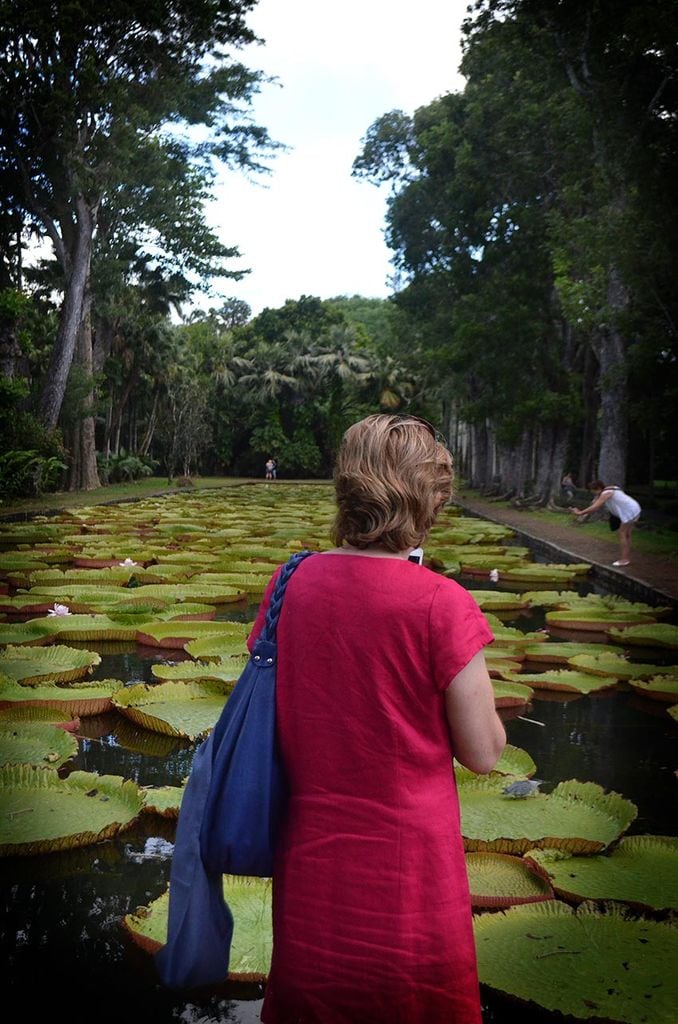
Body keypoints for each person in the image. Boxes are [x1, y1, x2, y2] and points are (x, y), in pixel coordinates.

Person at [247, 413, 506, 1024]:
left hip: (311, 855)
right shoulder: (442, 603)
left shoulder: (288, 584)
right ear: (424, 502)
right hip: (410, 869)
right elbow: (484, 752)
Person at [570, 479, 641, 567]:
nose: (593, 493)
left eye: (593, 491)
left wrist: (580, 513)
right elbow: (593, 503)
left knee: (622, 533)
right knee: (627, 534)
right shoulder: (610, 489)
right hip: (634, 509)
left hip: (629, 511)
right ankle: (626, 556)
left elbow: (595, 507)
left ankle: (624, 559)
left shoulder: (606, 493)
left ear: (598, 488)